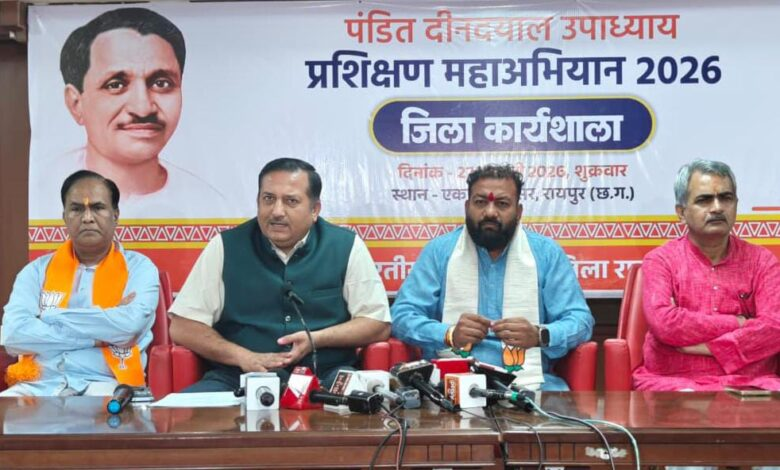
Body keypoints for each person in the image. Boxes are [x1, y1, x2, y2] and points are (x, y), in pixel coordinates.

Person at [169, 158, 391, 391]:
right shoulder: (226, 246)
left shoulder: (345, 246)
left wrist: (316, 339)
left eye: (291, 201)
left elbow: (377, 323)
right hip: (239, 377)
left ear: (314, 209)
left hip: (325, 376)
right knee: (182, 411)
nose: (276, 211)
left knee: (363, 405)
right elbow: (183, 326)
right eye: (268, 199)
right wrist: (242, 356)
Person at [391, 164, 593, 390]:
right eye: (480, 202)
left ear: (518, 211)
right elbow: (401, 316)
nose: (489, 212)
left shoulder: (546, 254)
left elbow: (580, 321)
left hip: (531, 385)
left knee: (559, 406)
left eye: (502, 204)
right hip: (448, 385)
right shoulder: (439, 252)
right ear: (467, 207)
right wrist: (448, 334)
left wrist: (540, 335)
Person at [32, 7, 224, 218]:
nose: (143, 108)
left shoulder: (210, 204)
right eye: (115, 85)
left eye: (161, 83)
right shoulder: (40, 191)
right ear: (76, 103)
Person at [0, 170, 159, 396]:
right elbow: (14, 335)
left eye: (98, 207)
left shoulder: (139, 268)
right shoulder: (35, 272)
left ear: (115, 215)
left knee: (112, 414)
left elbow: (128, 328)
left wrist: (49, 317)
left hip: (106, 383)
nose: (87, 218)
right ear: (64, 217)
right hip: (39, 385)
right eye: (76, 209)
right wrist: (99, 335)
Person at [635, 159, 780, 391]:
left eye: (726, 198)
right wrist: (739, 322)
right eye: (704, 200)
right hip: (675, 382)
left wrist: (712, 348)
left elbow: (775, 327)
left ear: (736, 204)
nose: (717, 207)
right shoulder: (661, 260)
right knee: (683, 405)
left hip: (750, 384)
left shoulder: (762, 261)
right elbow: (665, 323)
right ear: (681, 213)